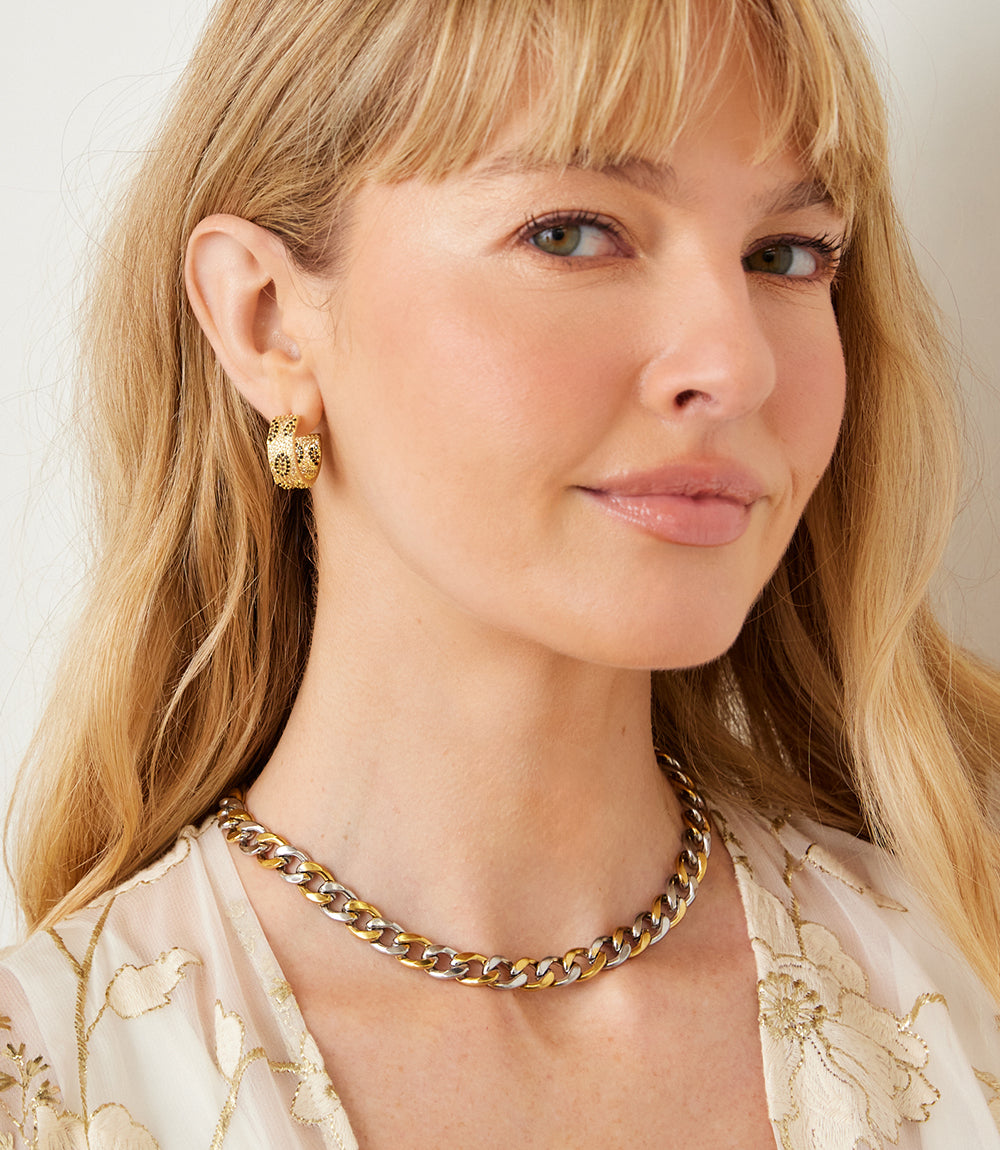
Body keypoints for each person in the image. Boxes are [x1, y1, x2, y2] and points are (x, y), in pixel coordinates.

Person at [2, 0, 999, 1146]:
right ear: (267, 321)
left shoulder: (966, 989)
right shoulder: (50, 1089)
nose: (734, 364)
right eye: (572, 233)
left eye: (785, 254)